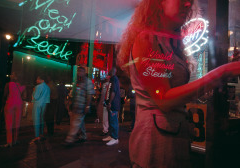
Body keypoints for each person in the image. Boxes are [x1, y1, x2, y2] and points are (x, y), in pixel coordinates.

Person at [117, 0, 240, 167]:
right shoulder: (147, 39)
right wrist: (223, 72)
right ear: (159, 3)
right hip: (155, 140)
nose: (188, 4)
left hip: (173, 135)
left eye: (190, 0)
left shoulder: (170, 43)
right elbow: (164, 99)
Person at [63, 67, 95, 145]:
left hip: (82, 106)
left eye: (80, 71)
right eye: (78, 71)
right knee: (80, 122)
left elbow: (89, 95)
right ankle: (83, 136)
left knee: (75, 123)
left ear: (84, 72)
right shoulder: (80, 82)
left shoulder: (88, 82)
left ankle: (69, 139)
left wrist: (87, 106)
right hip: (77, 106)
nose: (78, 73)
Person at [1, 72, 26, 147]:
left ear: (14, 77)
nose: (11, 75)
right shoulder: (23, 86)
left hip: (10, 104)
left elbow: (5, 95)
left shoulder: (8, 84)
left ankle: (9, 142)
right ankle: (15, 140)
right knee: (17, 123)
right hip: (19, 104)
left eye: (12, 74)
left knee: (9, 123)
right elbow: (24, 97)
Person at [102, 67, 121, 146]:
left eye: (110, 70)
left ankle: (115, 138)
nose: (108, 71)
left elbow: (113, 91)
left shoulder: (114, 79)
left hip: (113, 104)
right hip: (111, 103)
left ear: (113, 71)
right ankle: (111, 135)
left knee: (113, 121)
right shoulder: (112, 79)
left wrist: (109, 103)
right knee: (111, 120)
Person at [31, 75, 50, 143]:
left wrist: (33, 92)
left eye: (38, 79)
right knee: (42, 119)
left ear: (42, 80)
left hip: (37, 103)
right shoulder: (48, 87)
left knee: (36, 119)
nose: (36, 81)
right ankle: (41, 134)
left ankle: (37, 136)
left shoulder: (38, 87)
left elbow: (35, 97)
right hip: (44, 104)